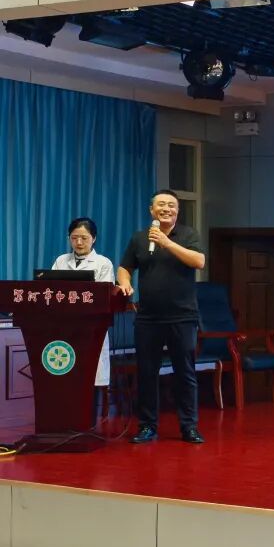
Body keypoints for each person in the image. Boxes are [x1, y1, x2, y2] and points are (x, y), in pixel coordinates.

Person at [117, 189, 206, 444]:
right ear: (151, 210)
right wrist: (125, 282)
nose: (166, 209)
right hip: (148, 317)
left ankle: (189, 426)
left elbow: (199, 261)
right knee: (147, 373)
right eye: (161, 205)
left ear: (177, 210)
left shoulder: (188, 234)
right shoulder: (140, 238)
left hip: (182, 316)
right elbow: (125, 267)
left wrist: (167, 243)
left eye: (171, 205)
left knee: (185, 372)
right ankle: (147, 426)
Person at [51, 218, 114, 395]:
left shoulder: (103, 263)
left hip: (92, 327)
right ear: (68, 238)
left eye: (84, 238)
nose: (78, 242)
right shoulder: (61, 261)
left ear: (94, 238)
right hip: (65, 326)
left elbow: (103, 296)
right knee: (67, 375)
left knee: (89, 376)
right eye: (74, 238)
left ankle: (91, 410)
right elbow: (51, 290)